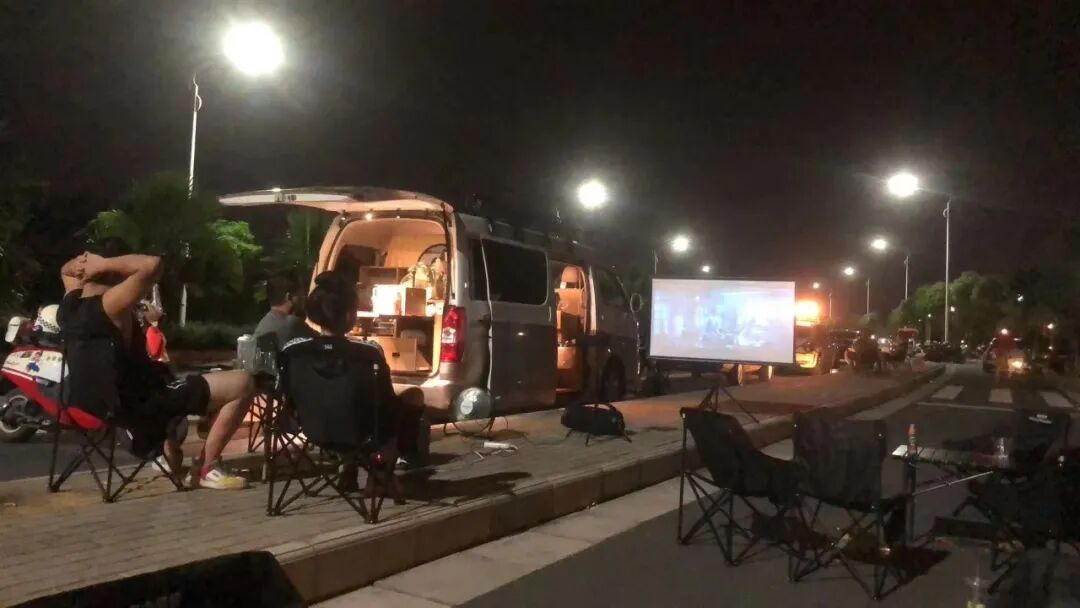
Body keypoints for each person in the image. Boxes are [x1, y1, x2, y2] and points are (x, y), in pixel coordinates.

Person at [59, 244, 255, 490]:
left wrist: (80, 264)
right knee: (242, 383)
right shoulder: (110, 305)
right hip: (138, 406)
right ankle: (206, 467)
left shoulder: (69, 308)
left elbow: (65, 271)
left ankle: (168, 448)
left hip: (95, 404)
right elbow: (151, 265)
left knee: (182, 386)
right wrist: (102, 263)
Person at [288, 271, 424, 496]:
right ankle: (380, 470)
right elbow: (385, 399)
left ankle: (348, 466)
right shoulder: (368, 352)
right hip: (360, 432)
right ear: (350, 315)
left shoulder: (293, 350)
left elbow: (288, 396)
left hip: (313, 429)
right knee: (413, 397)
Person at [254, 275, 314, 347]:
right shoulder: (292, 323)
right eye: (300, 296)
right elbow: (321, 343)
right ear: (289, 297)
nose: (303, 299)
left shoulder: (264, 322)